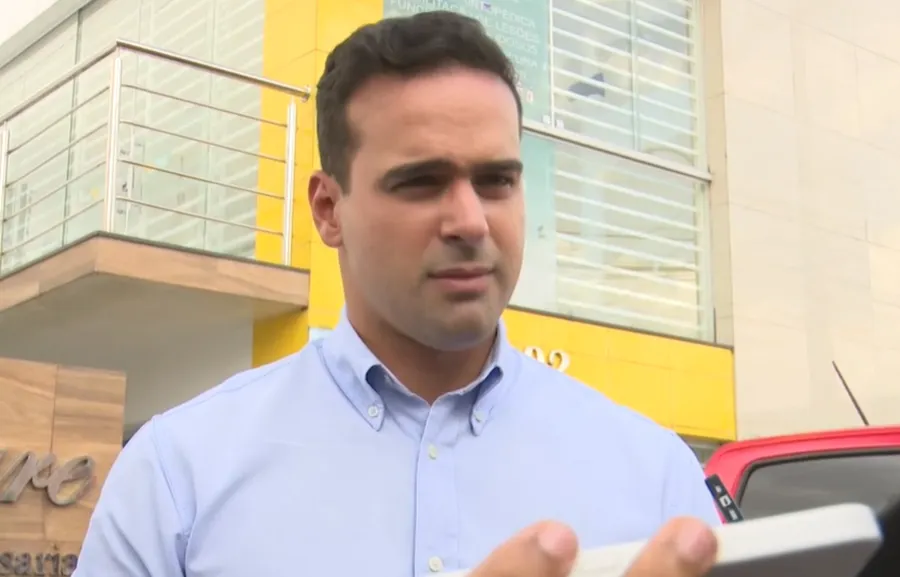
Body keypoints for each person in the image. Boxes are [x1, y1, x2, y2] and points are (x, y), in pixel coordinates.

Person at [72, 10, 720, 577]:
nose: (470, 221)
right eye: (420, 182)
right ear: (328, 209)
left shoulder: (656, 478)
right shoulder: (177, 476)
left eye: (496, 181)